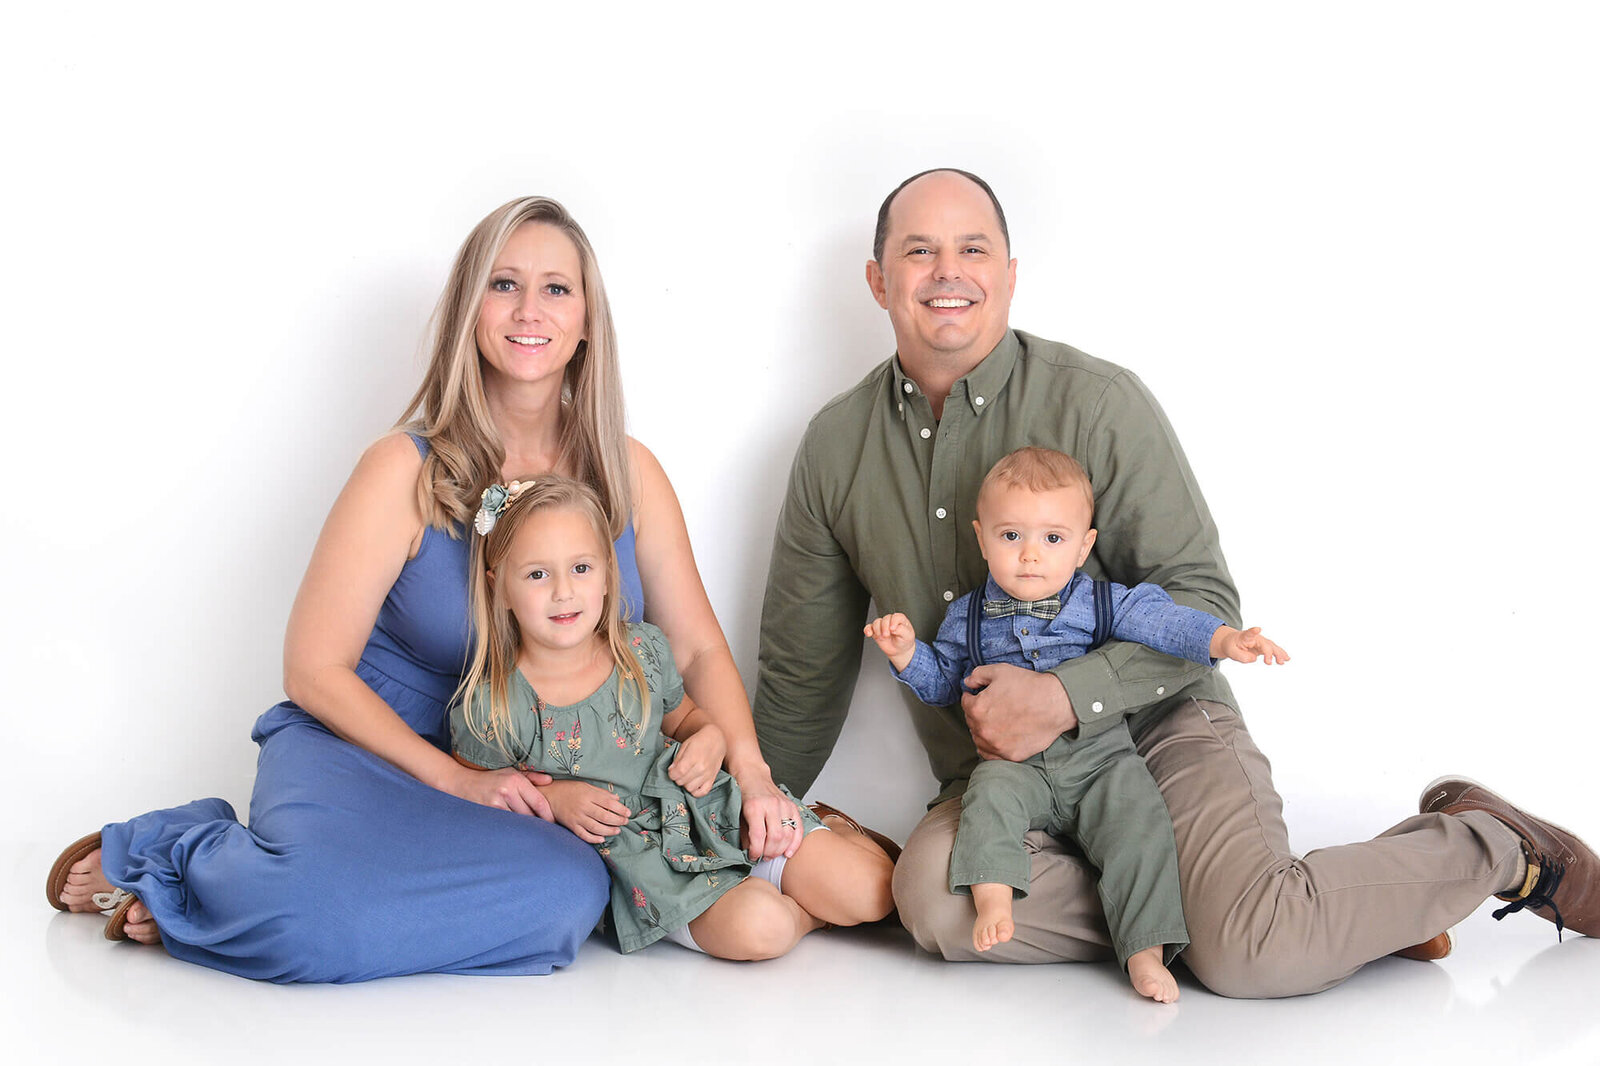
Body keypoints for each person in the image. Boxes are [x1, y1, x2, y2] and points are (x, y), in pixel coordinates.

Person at [752, 168, 1598, 997]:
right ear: (877, 279)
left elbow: (1203, 603)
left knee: (1249, 957)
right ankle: (1301, 912)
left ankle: (1487, 847)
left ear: (1009, 276)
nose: (947, 273)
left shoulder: (1098, 404)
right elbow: (801, 682)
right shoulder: (835, 448)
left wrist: (1064, 697)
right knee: (934, 904)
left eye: (973, 249)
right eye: (918, 251)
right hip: (1007, 778)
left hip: (1159, 731)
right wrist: (733, 831)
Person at [46, 195, 873, 982]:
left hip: (528, 779)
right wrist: (456, 779)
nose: (528, 311)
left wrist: (753, 770)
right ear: (469, 312)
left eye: (556, 289)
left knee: (570, 897)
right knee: (322, 925)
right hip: (366, 749)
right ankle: (186, 857)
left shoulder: (631, 475)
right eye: (502, 286)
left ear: (587, 322)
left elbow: (693, 649)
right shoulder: (401, 471)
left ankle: (251, 899)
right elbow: (313, 668)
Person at [864, 445, 1286, 1001]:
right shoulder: (965, 617)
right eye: (1011, 536)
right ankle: (993, 897)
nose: (1030, 556)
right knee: (987, 801)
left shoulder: (1102, 602)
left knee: (1140, 820)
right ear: (982, 536)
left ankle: (1144, 949)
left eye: (1053, 539)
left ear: (1085, 544)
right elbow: (944, 681)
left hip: (1101, 758)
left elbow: (1164, 623)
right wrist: (905, 654)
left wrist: (1225, 640)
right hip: (1013, 765)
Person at [451, 476, 893, 959]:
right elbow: (477, 793)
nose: (563, 592)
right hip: (647, 868)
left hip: (709, 812)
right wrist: (553, 797)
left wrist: (710, 739)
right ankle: (799, 910)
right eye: (537, 574)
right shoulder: (493, 704)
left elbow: (688, 721)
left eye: (580, 568)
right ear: (501, 586)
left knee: (873, 891)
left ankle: (830, 833)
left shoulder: (641, 651)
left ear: (606, 575)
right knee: (762, 929)